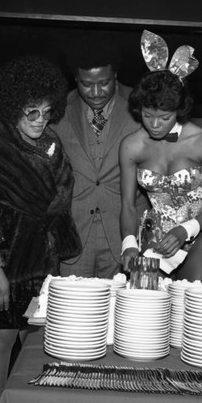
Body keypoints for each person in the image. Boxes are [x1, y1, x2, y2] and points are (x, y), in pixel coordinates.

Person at [0, 55, 81, 403]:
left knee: (39, 344)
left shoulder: (54, 143)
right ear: (13, 106)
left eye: (46, 112)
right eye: (32, 112)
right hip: (2, 259)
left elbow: (60, 203)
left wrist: (54, 263)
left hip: (42, 260)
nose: (40, 120)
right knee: (0, 339)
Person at [120, 30, 202, 283]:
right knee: (145, 314)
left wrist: (184, 230)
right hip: (153, 235)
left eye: (165, 117)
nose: (155, 124)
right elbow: (127, 204)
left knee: (192, 310)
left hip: (199, 233)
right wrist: (129, 245)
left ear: (179, 111)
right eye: (147, 115)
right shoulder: (131, 146)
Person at [52, 37, 148, 279]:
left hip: (127, 238)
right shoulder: (57, 108)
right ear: (75, 79)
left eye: (104, 83)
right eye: (86, 84)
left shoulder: (142, 105)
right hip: (74, 237)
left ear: (115, 75)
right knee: (73, 313)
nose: (95, 92)